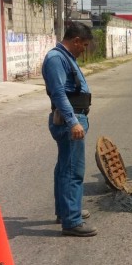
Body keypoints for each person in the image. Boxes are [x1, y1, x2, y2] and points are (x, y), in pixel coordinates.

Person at [42, 22, 96, 237]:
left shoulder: (65, 57)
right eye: (83, 44)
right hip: (68, 120)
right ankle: (72, 221)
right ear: (75, 41)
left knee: (65, 167)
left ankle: (65, 211)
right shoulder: (56, 58)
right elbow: (58, 94)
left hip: (71, 117)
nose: (84, 49)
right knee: (73, 171)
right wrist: (73, 122)